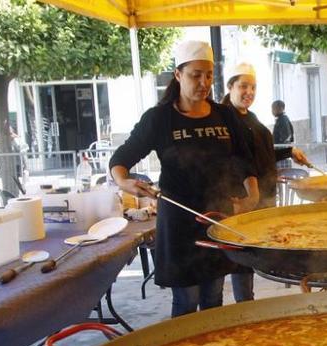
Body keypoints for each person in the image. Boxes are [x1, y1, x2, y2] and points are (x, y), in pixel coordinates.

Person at [109, 40, 260, 318]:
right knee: (187, 300)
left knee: (214, 296)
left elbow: (245, 160)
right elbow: (121, 159)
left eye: (209, 75)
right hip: (179, 219)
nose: (203, 82)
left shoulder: (225, 115)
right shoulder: (159, 118)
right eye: (195, 75)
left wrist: (253, 194)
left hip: (218, 216)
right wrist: (124, 181)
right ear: (178, 75)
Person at [222, 62, 310, 301]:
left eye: (253, 87)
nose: (248, 92)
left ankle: (246, 301)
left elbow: (261, 153)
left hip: (263, 197)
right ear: (230, 86)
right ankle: (243, 306)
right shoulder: (223, 119)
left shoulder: (250, 116)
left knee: (248, 258)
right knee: (239, 256)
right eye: (243, 86)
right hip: (242, 199)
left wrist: (288, 152)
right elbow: (237, 159)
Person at [272, 100, 295, 169]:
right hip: (282, 154)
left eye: (274, 108)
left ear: (281, 108)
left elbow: (286, 138)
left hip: (283, 156)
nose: (272, 111)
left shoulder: (283, 120)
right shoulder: (281, 119)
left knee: (284, 175)